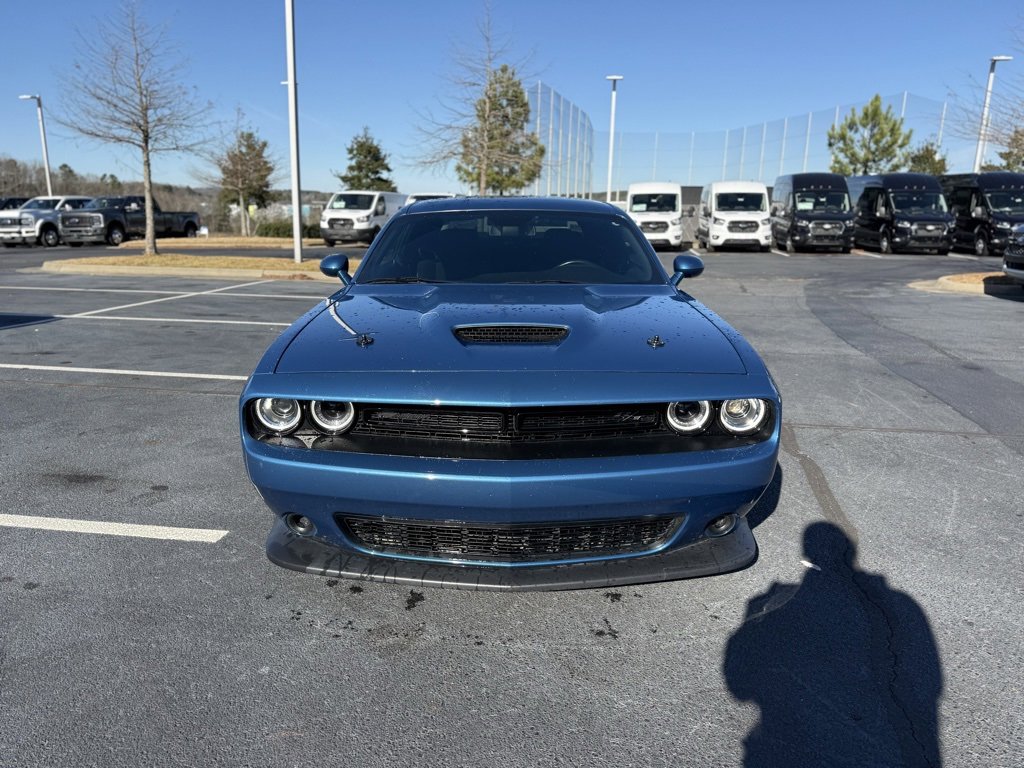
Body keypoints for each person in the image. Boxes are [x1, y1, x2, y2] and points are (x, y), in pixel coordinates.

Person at [724, 521, 943, 766]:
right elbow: (925, 682)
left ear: (807, 557)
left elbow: (738, 684)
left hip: (793, 747)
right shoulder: (902, 605)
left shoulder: (780, 609)